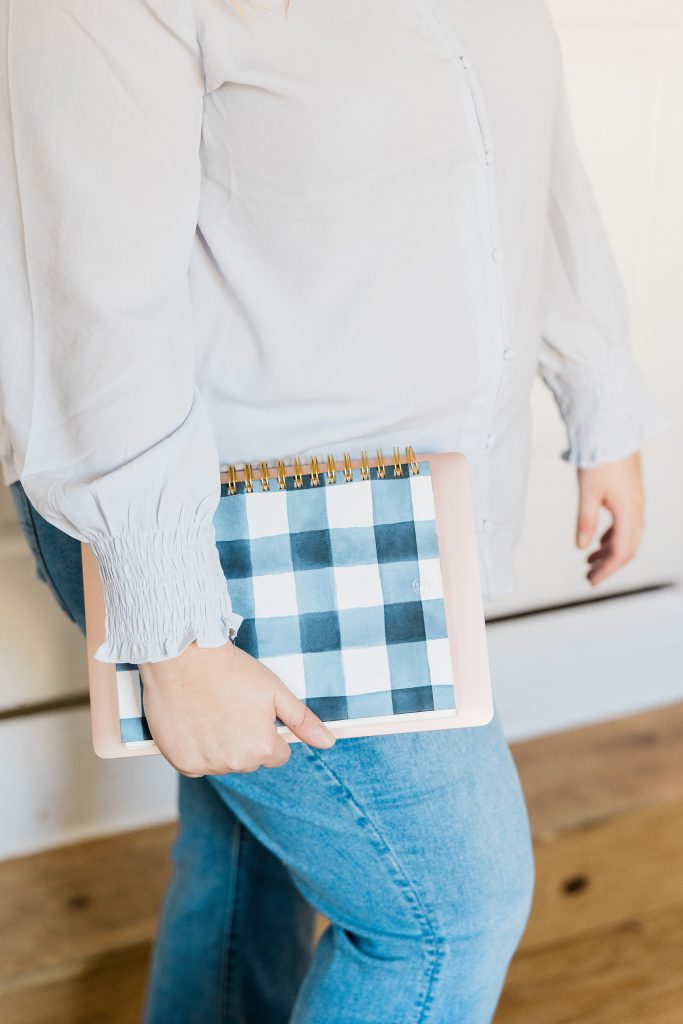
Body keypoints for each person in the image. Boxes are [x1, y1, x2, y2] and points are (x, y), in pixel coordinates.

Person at [0, 1, 669, 1021]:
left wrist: (597, 395)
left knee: (249, 852)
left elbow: (522, 151)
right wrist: (179, 635)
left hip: (397, 523)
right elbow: (89, 300)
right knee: (444, 915)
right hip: (217, 535)